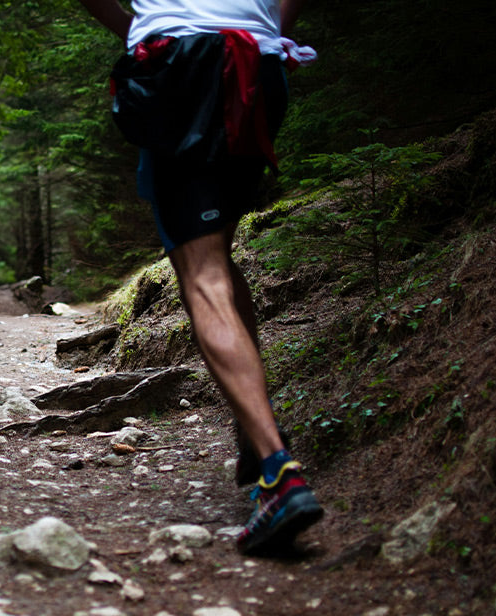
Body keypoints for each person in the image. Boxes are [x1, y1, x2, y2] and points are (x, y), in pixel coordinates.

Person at [77, 0, 322, 555]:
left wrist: (136, 28)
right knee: (219, 253)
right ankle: (256, 438)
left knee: (203, 274)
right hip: (258, 65)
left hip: (177, 62)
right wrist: (271, 37)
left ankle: (279, 475)